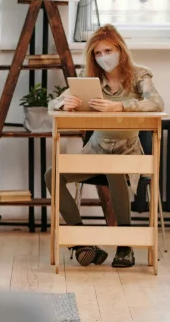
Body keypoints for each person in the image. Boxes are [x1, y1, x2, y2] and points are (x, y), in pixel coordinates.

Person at [46, 24, 164, 268]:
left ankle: (125, 246)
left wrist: (120, 106)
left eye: (107, 51)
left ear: (120, 49)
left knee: (114, 167)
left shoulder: (140, 75)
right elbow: (54, 102)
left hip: (127, 153)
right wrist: (64, 103)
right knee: (52, 175)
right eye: (97, 53)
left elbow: (156, 103)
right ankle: (81, 241)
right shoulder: (89, 79)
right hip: (95, 152)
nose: (103, 58)